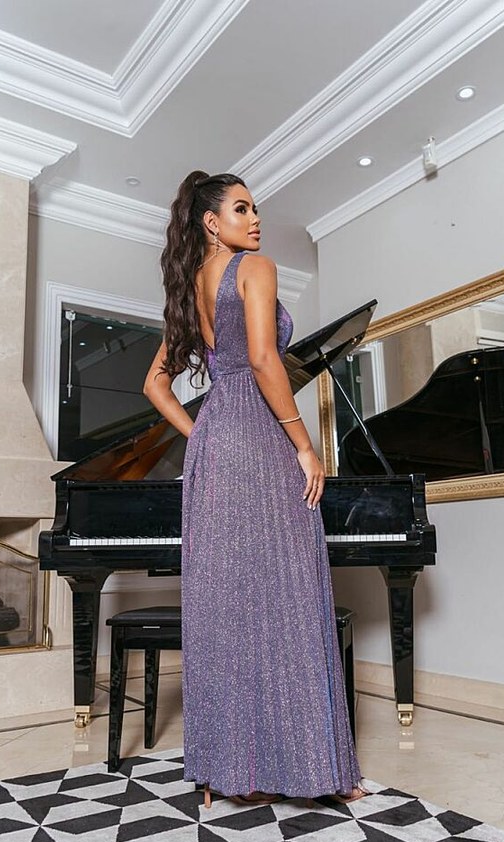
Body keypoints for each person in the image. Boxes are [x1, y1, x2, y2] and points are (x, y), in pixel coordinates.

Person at [144, 170, 368, 807]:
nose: (256, 219)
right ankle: (309, 769)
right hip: (261, 436)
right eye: (242, 209)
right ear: (212, 223)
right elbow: (267, 360)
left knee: (228, 603)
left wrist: (203, 434)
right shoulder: (256, 268)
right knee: (290, 594)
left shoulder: (189, 289)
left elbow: (154, 385)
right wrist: (304, 444)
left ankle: (232, 772)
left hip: (218, 441)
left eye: (255, 208)